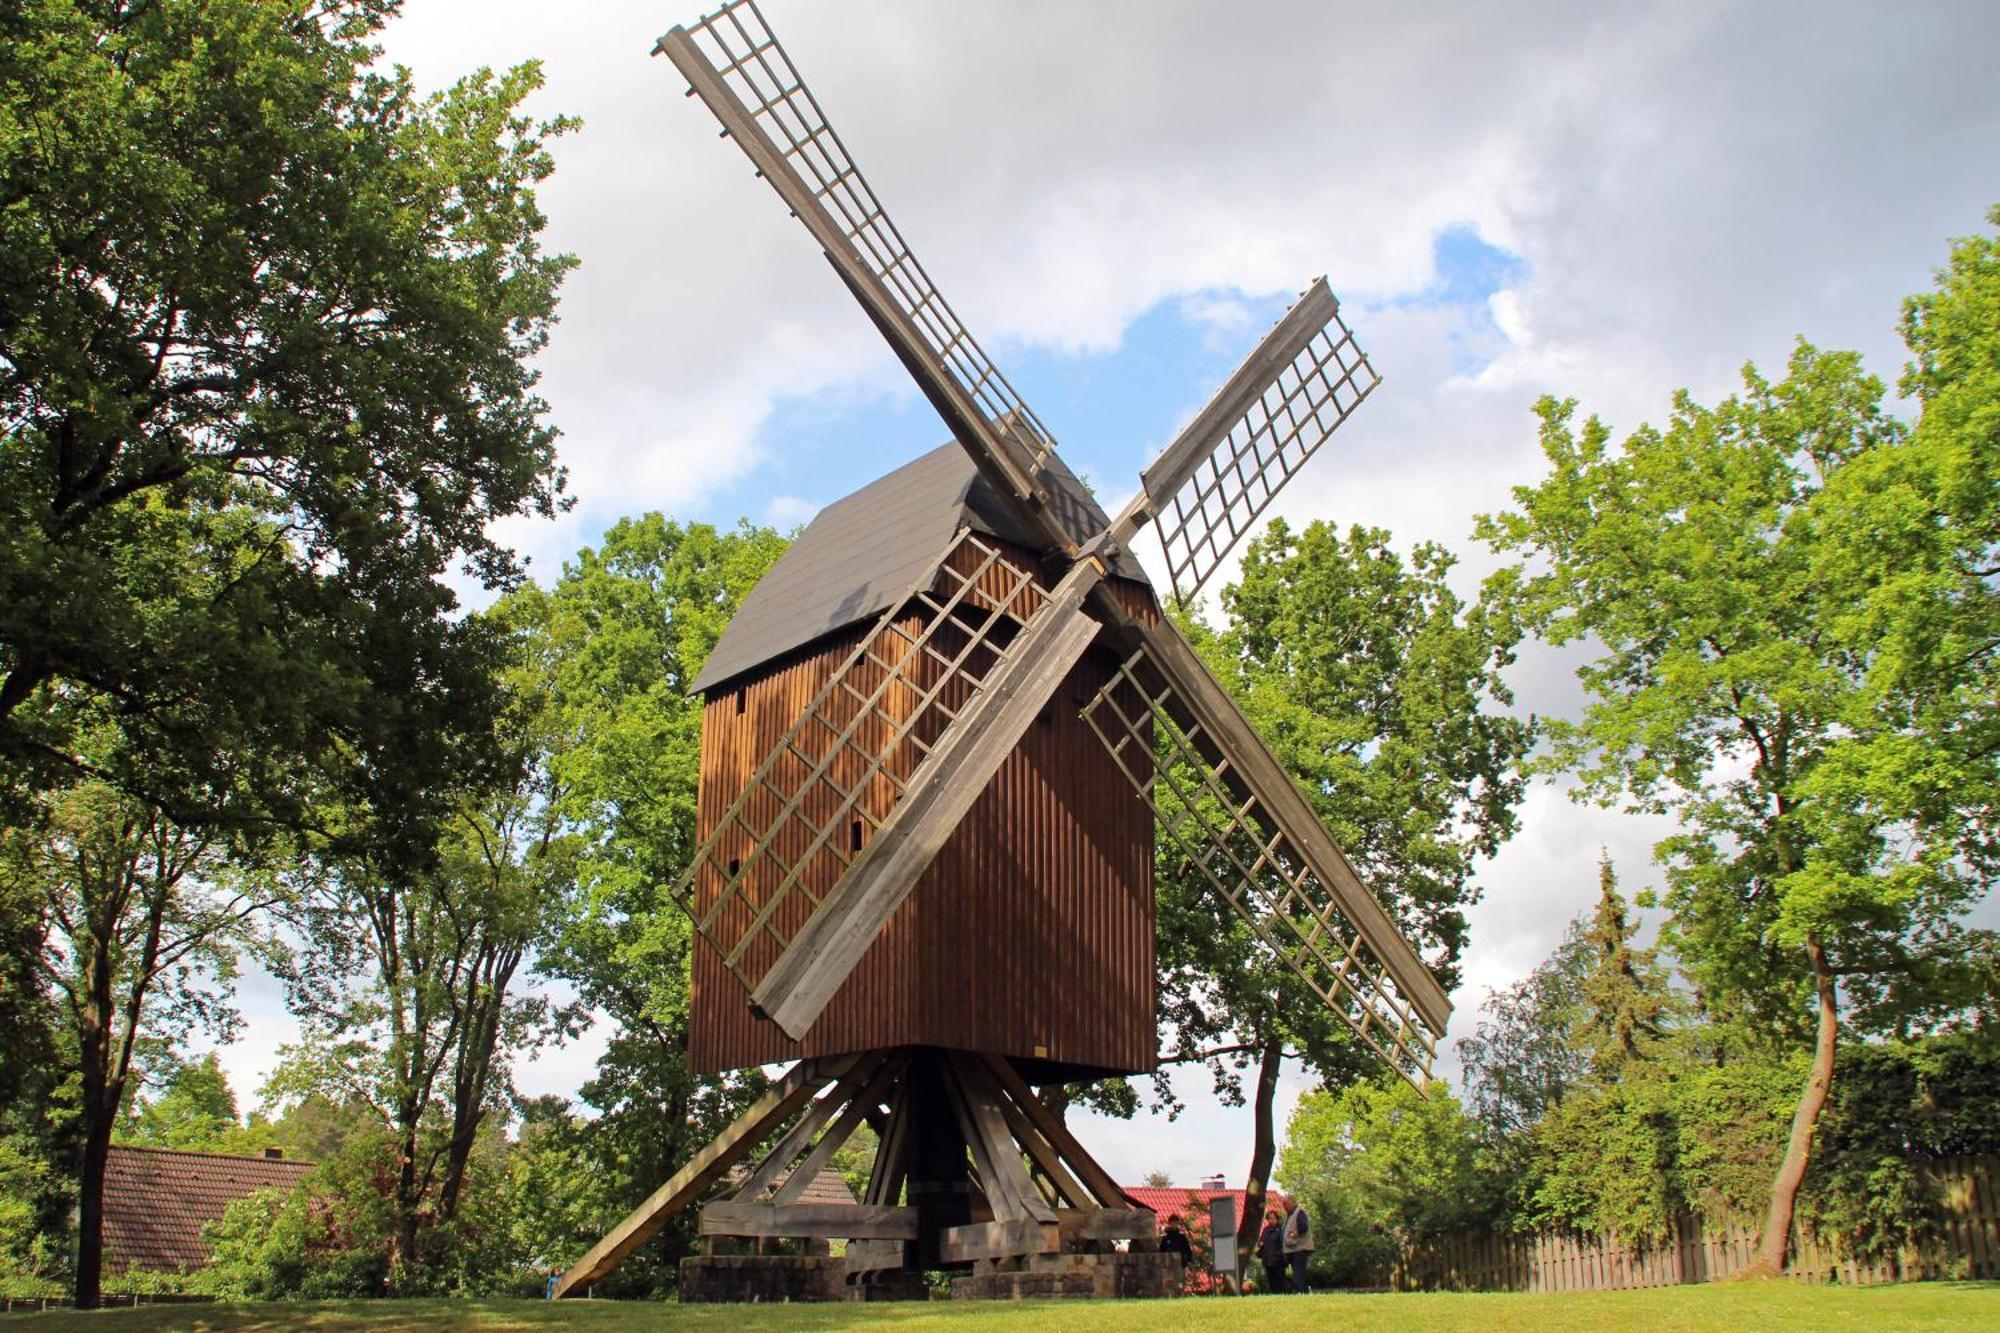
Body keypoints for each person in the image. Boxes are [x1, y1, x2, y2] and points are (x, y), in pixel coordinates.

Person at [1283, 1200, 1314, 1293]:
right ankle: (1304, 1291)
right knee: (1298, 1272)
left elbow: (1303, 1227)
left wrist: (1292, 1235)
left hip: (1300, 1248)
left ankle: (1299, 1291)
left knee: (1298, 1273)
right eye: (1283, 1204)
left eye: (1285, 1204)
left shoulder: (1299, 1212)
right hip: (1293, 1249)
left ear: (1292, 1203)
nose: (1284, 1206)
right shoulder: (1290, 1215)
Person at [1257, 1210, 1287, 1294]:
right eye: (1269, 1218)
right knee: (1271, 1281)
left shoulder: (1281, 1229)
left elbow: (1283, 1243)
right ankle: (1273, 1294)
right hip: (1267, 1259)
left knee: (1280, 1281)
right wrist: (1260, 1244)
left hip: (1278, 1260)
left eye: (1273, 1218)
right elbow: (1260, 1242)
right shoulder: (1265, 1230)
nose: (1271, 1220)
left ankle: (1282, 1295)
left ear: (1277, 1219)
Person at [1160, 1216, 1193, 1286]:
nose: (1174, 1224)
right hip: (1168, 1264)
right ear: (1169, 1223)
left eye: (1175, 1222)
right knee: (1168, 1282)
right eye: (1172, 1222)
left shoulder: (1182, 1237)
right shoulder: (1165, 1238)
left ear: (1178, 1223)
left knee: (1179, 1283)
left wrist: (1187, 1263)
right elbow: (1161, 1252)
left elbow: (1187, 1250)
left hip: (1180, 1263)